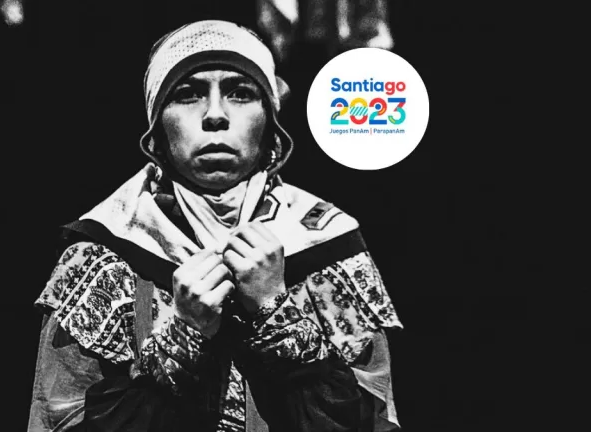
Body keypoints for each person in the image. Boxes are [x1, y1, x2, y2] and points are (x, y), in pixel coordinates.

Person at [27, 20, 403, 432]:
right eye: (187, 94)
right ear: (157, 127)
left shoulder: (326, 243)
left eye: (240, 93)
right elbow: (60, 419)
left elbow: (373, 420)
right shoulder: (104, 253)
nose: (215, 115)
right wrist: (181, 339)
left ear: (270, 123)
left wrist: (276, 313)